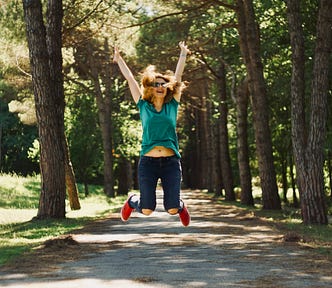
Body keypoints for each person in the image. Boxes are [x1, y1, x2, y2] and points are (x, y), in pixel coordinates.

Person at [113, 41, 190, 226]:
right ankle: (132, 201)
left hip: (171, 162)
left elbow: (178, 76)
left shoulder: (172, 105)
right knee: (147, 210)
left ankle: (180, 206)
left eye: (164, 84)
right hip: (148, 162)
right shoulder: (143, 105)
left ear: (168, 88)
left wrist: (183, 54)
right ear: (150, 87)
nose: (160, 87)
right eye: (157, 84)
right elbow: (131, 79)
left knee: (172, 209)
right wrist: (119, 59)